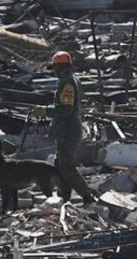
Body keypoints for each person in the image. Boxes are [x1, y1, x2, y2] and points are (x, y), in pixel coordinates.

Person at [33, 52, 96, 204]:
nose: (53, 70)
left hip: (68, 129)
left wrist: (45, 110)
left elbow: (65, 109)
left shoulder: (67, 82)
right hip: (68, 129)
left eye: (54, 66)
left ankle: (87, 196)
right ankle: (64, 195)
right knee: (60, 165)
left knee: (66, 167)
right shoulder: (72, 80)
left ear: (60, 66)